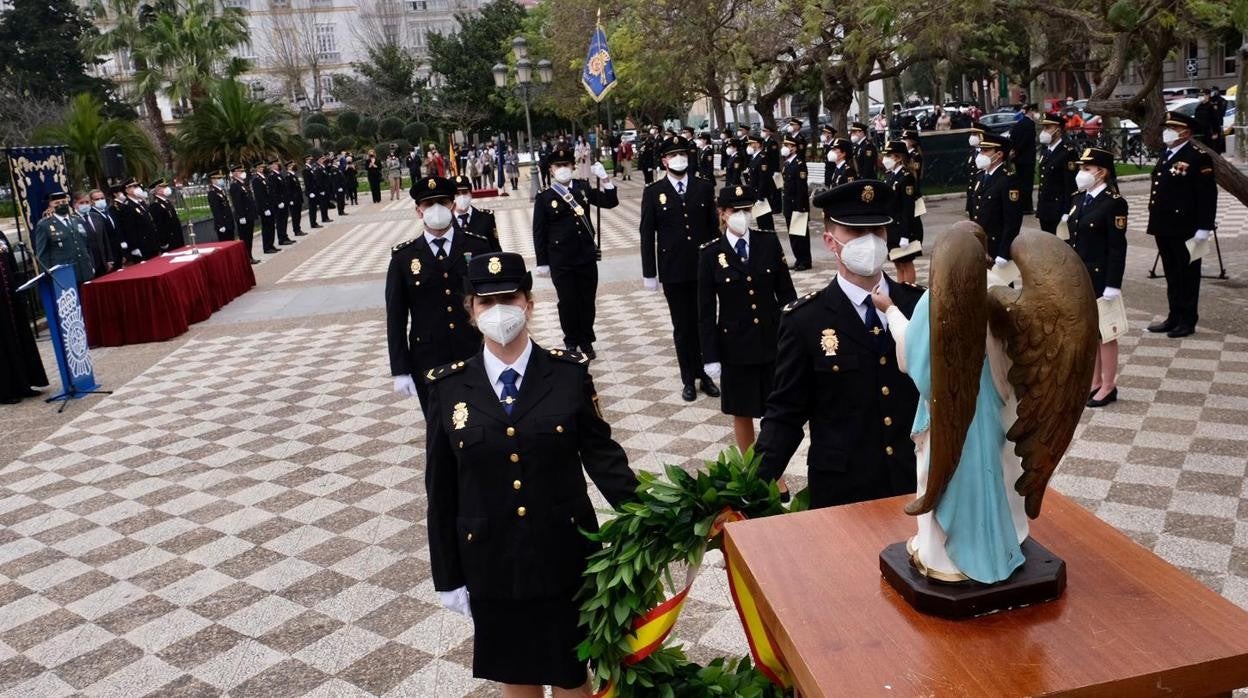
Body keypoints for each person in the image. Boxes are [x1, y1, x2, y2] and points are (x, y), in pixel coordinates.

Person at [424, 251, 638, 697]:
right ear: (470, 310)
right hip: (492, 563)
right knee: (516, 679)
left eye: (510, 297)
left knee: (571, 676)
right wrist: (448, 575)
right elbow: (441, 491)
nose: (499, 310)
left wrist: (661, 516)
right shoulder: (448, 387)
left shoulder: (567, 374)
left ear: (529, 303)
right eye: (486, 302)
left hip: (564, 555)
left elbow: (605, 460)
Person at [754, 179, 925, 508]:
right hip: (843, 490)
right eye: (856, 233)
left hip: (914, 481)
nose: (870, 242)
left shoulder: (918, 306)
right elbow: (786, 415)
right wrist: (748, 489)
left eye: (878, 232)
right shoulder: (805, 320)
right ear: (831, 241)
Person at [698, 185, 796, 455]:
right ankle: (752, 470)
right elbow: (705, 311)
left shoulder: (768, 242)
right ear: (723, 213)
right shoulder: (710, 254)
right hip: (735, 347)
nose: (742, 215)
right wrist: (710, 355)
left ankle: (773, 470)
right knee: (742, 411)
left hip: (771, 340)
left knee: (775, 411)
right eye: (735, 210)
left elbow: (786, 293)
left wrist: (795, 336)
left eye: (746, 209)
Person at [386, 176, 493, 412]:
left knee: (481, 421)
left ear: (453, 205)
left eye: (442, 202)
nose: (436, 209)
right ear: (418, 211)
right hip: (428, 357)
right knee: (438, 427)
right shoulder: (404, 258)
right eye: (428, 204)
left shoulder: (477, 247)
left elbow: (494, 301)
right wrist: (400, 369)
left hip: (474, 350)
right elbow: (396, 317)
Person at [639, 135, 721, 402]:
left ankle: (706, 373)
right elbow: (646, 234)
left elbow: (713, 230)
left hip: (703, 268)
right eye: (673, 155)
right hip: (673, 270)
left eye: (683, 154)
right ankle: (688, 377)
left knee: (705, 321)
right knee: (683, 326)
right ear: (664, 160)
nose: (679, 159)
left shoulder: (704, 187)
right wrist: (649, 273)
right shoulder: (653, 192)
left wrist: (721, 264)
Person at [532, 148, 617, 360]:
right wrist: (542, 262)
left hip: (585, 256)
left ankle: (586, 339)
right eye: (558, 166)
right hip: (560, 259)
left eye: (566, 165)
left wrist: (605, 179)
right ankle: (571, 340)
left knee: (587, 300)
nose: (563, 169)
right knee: (568, 301)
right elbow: (539, 232)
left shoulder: (583, 188)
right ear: (551, 170)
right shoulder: (545, 197)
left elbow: (610, 202)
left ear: (572, 166)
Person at [1146, 111, 1218, 339]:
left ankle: (1188, 320)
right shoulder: (1166, 154)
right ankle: (1174, 316)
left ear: (1185, 132)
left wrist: (1204, 228)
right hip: (1164, 225)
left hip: (1186, 226)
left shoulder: (1198, 156)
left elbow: (1207, 195)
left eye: (1172, 128)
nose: (1167, 132)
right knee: (1171, 273)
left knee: (1187, 274)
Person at [1067, 147, 1127, 408]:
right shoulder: (1079, 199)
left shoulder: (1114, 203)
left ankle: (1108, 384)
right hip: (1081, 277)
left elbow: (1117, 247)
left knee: (1106, 333)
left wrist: (1113, 284)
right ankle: (1093, 382)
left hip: (1102, 277)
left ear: (1101, 172)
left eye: (1086, 169)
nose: (1081, 174)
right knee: (1089, 332)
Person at [0, 228, 48, 404]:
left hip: (9, 297)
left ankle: (24, 384)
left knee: (18, 339)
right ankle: (6, 390)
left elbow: (11, 264)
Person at [970, 134, 1023, 269]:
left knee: (1001, 288)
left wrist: (1004, 253)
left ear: (999, 154)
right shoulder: (981, 176)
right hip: (981, 244)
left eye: (986, 150)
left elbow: (1012, 221)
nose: (981, 154)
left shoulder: (1008, 180)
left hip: (997, 246)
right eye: (981, 150)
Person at [33, 190, 94, 283]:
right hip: (64, 274)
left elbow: (87, 246)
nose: (61, 204)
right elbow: (42, 255)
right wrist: (50, 276)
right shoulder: (45, 225)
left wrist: (91, 265)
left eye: (64, 202)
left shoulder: (77, 220)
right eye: (57, 203)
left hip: (85, 271)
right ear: (50, 206)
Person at [881, 141, 920, 284]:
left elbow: (907, 208)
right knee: (897, 262)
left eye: (889, 155)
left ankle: (909, 290)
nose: (886, 159)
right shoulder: (891, 176)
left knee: (906, 263)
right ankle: (901, 288)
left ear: (898, 158)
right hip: (892, 227)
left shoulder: (906, 177)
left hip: (902, 227)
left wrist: (905, 234)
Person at [1035, 113, 1078, 234]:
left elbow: (1070, 186)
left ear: (1058, 130)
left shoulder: (1067, 153)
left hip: (1058, 210)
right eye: (1043, 128)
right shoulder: (1046, 151)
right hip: (1045, 210)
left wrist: (1066, 211)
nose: (1044, 131)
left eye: (1048, 128)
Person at [780, 135, 812, 271]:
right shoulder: (787, 163)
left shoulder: (799, 164)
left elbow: (801, 188)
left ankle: (805, 261)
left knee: (801, 236)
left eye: (788, 146)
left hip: (797, 205)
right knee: (793, 234)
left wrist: (800, 208)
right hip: (788, 204)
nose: (785, 148)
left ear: (793, 148)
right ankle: (798, 259)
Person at [451, 175, 501, 252]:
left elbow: (495, 247)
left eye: (465, 192)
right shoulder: (447, 221)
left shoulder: (486, 217)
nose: (462, 196)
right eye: (457, 194)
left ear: (470, 193)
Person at [117, 178, 159, 261]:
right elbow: (129, 229)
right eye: (134, 186)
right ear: (127, 190)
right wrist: (134, 247)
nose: (138, 188)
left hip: (151, 242)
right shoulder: (127, 206)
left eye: (137, 186)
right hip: (141, 245)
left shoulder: (141, 203)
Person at [1007, 105, 1038, 215]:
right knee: (1027, 184)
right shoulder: (1030, 124)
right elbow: (1026, 141)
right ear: (1030, 111)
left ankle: (1021, 205)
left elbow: (1013, 139)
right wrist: (1018, 150)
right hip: (1027, 159)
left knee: (1021, 183)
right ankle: (1027, 207)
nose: (1036, 114)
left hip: (1019, 159)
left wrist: (1015, 152)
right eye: (1035, 111)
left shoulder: (1018, 124)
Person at [229, 164, 260, 264]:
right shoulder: (234, 185)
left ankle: (249, 256)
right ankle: (246, 258)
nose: (242, 173)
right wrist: (241, 216)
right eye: (239, 171)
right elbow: (237, 202)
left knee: (249, 238)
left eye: (241, 171)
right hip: (244, 217)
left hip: (249, 215)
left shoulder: (243, 184)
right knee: (245, 238)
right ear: (234, 174)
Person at [85, 189, 122, 271]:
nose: (100, 201)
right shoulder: (92, 216)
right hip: (107, 256)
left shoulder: (108, 211)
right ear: (91, 201)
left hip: (118, 251)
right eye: (97, 199)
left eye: (102, 198)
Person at [744, 135, 776, 231]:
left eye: (751, 143)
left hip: (761, 194)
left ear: (757, 144)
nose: (749, 146)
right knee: (760, 222)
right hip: (755, 192)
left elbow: (764, 179)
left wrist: (760, 196)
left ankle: (770, 241)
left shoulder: (763, 157)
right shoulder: (755, 157)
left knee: (765, 222)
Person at [75, 193, 111, 274]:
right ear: (74, 204)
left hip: (102, 261)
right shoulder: (73, 220)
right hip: (88, 263)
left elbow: (105, 239)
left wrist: (109, 259)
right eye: (81, 203)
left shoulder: (96, 216)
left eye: (87, 202)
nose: (85, 205)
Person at [148, 179, 184, 251]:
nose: (167, 188)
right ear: (157, 190)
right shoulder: (155, 205)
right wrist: (163, 242)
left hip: (176, 237)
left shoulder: (167, 201)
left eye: (166, 186)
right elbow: (159, 225)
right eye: (163, 187)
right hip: (169, 240)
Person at [251, 162, 279, 255]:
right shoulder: (256, 180)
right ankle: (267, 247)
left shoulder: (264, 177)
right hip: (265, 208)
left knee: (271, 226)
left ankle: (271, 244)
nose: (263, 169)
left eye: (263, 167)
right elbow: (259, 196)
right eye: (261, 167)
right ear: (257, 168)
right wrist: (265, 208)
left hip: (270, 206)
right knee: (266, 227)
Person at [266, 162, 295, 247]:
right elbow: (273, 191)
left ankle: (285, 236)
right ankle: (281, 239)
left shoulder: (279, 174)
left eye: (276, 164)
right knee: (280, 221)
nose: (276, 166)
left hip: (284, 201)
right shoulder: (272, 176)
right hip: (279, 203)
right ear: (271, 167)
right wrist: (278, 202)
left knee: (284, 220)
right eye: (273, 165)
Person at [964, 122, 986, 219]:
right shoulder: (972, 151)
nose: (972, 137)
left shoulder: (986, 154)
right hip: (972, 192)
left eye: (974, 134)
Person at [1194, 88, 1225, 155]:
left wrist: (1215, 133)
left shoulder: (1211, 107)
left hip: (1210, 133)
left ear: (1208, 96)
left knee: (1213, 151)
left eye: (1202, 95)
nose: (1200, 96)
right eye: (1199, 95)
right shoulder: (1199, 107)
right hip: (1202, 133)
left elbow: (1216, 120)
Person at [207, 170, 235, 243]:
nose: (221, 180)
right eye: (219, 179)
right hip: (223, 224)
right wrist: (220, 225)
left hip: (228, 223)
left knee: (231, 243)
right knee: (225, 244)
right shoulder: (212, 192)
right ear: (213, 180)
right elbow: (216, 210)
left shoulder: (221, 191)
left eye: (221, 178)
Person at [284, 160, 306, 237]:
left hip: (297, 199)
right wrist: (290, 200)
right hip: (293, 200)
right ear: (289, 167)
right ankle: (296, 230)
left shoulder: (293, 175)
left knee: (298, 215)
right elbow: (288, 190)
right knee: (295, 215)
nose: (294, 166)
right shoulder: (288, 177)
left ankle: (298, 229)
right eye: (292, 165)